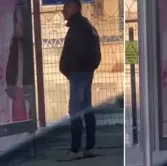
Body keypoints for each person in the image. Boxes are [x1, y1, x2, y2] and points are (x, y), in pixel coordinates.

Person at [59, 0, 101, 160]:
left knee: (75, 110)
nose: (63, 11)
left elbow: (75, 53)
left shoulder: (78, 28)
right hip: (84, 73)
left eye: (65, 7)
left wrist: (71, 70)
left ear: (73, 8)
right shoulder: (86, 27)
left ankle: (75, 150)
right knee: (86, 108)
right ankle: (89, 147)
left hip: (79, 74)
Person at [5, 0, 35, 123]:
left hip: (24, 84)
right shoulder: (12, 45)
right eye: (17, 23)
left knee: (26, 111)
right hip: (15, 85)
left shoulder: (25, 45)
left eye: (21, 23)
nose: (19, 27)